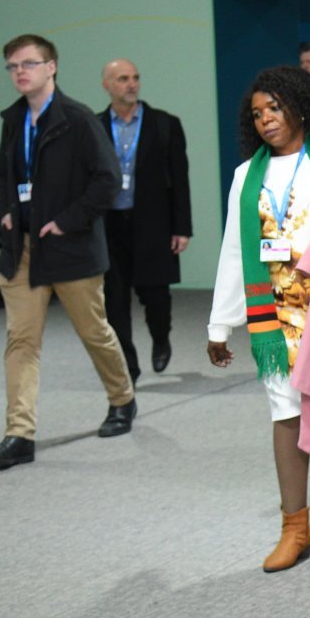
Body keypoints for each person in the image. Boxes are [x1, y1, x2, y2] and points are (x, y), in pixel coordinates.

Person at [207, 66, 310, 571]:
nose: (265, 120)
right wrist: (220, 323)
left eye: (274, 108)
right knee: (284, 415)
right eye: (256, 114)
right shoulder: (245, 176)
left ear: (300, 105)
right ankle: (295, 527)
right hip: (275, 316)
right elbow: (237, 249)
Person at [0, 34, 136, 469]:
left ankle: (122, 399)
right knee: (21, 340)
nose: (20, 72)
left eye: (28, 64)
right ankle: (19, 434)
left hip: (70, 248)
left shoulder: (78, 119)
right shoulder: (13, 120)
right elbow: (1, 175)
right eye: (12, 66)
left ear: (52, 67)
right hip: (22, 248)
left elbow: (107, 181)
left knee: (94, 332)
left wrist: (67, 220)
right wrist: (3, 211)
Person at [97, 58, 192, 383]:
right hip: (109, 226)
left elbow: (180, 179)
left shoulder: (165, 124)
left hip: (152, 222)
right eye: (122, 78)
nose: (131, 84)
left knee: (156, 296)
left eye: (135, 77)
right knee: (114, 299)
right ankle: (128, 365)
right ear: (107, 85)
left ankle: (161, 337)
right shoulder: (93, 127)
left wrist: (182, 227)